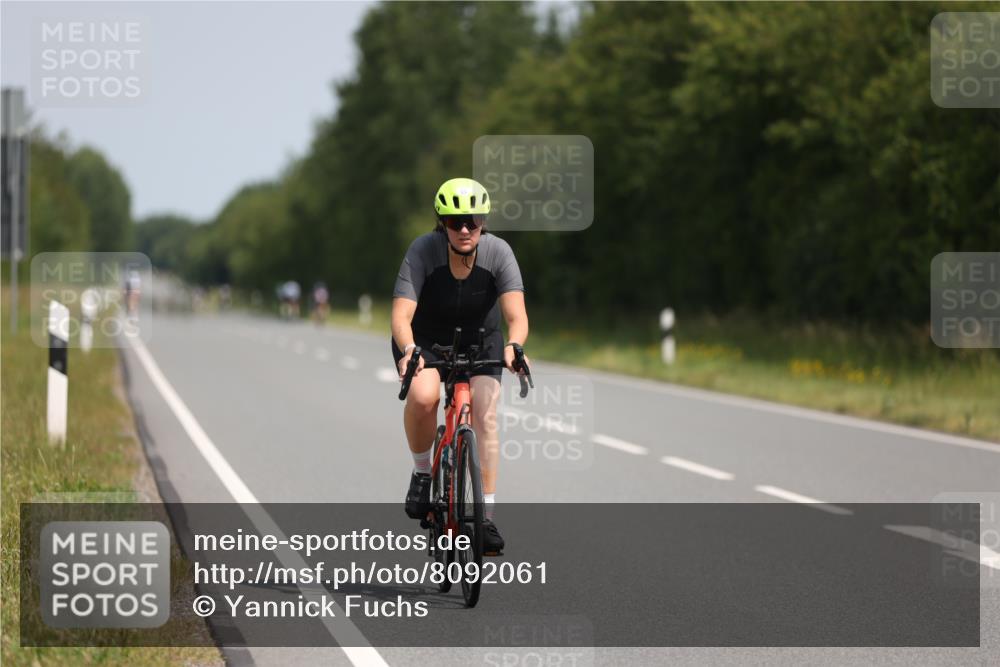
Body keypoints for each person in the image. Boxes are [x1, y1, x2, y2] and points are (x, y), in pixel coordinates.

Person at [391, 177, 530, 555]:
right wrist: (408, 350)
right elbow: (402, 316)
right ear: (443, 224)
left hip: (481, 340)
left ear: (483, 221)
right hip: (426, 340)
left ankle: (484, 518)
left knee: (484, 414)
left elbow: (516, 316)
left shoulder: (499, 253)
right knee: (423, 397)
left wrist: (515, 346)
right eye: (455, 222)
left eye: (472, 220)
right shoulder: (422, 251)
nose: (465, 229)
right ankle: (422, 473)